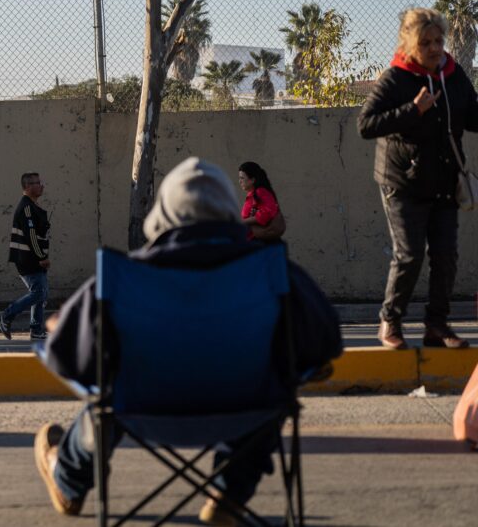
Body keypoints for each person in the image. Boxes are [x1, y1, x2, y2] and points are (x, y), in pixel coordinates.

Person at [33, 157, 342, 524]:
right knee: (272, 384)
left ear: (163, 214)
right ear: (229, 211)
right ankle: (230, 490)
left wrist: (64, 328)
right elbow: (325, 341)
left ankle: (68, 479)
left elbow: (68, 359)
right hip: (245, 412)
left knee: (110, 386)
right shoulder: (272, 273)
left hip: (142, 413)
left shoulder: (122, 280)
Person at [358, 7, 478, 350]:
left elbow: (472, 114)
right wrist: (413, 110)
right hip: (403, 182)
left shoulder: (453, 76)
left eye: (439, 40)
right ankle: (390, 321)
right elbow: (366, 125)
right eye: (426, 42)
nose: (435, 48)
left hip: (444, 183)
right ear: (411, 44)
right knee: (410, 254)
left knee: (446, 255)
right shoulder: (396, 78)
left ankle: (437, 325)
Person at [0, 172, 51, 341]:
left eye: (40, 182)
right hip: (27, 259)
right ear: (27, 187)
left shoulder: (32, 206)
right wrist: (41, 256)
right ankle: (6, 316)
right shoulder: (26, 207)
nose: (41, 185)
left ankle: (36, 329)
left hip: (33, 258)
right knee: (38, 292)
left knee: (41, 293)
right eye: (36, 183)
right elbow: (31, 235)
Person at [237, 161, 282, 241]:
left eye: (242, 178)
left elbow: (268, 212)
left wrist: (243, 221)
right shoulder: (252, 194)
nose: (239, 181)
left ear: (253, 179)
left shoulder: (260, 192)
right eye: (239, 178)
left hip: (261, 242)